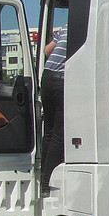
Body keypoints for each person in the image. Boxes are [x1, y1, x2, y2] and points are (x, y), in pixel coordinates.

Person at [40, 24, 67, 192]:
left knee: (49, 132)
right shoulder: (85, 27)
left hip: (47, 76)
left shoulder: (66, 27)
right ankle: (49, 183)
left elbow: (46, 51)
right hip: (61, 81)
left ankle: (42, 177)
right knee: (59, 135)